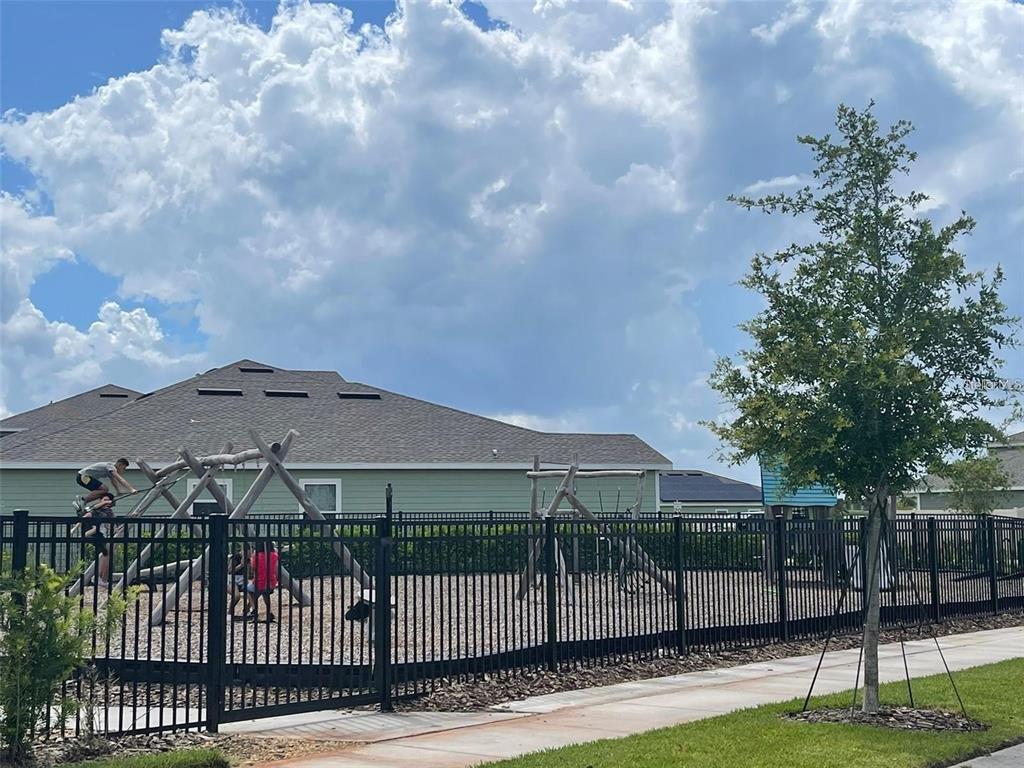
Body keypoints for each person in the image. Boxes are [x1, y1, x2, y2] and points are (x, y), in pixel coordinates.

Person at [82, 492, 116, 586]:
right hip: (93, 535)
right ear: (100, 501)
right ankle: (98, 577)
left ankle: (102, 578)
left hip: (100, 535)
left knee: (106, 555)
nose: (107, 502)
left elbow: (113, 525)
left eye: (109, 500)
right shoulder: (95, 510)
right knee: (105, 554)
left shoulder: (109, 512)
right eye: (105, 500)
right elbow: (89, 512)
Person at [244, 540, 279, 623]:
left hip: (259, 582)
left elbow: (253, 569)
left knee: (247, 590)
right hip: (271, 582)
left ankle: (254, 611)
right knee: (265, 594)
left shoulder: (256, 556)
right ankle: (269, 612)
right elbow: (276, 568)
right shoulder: (274, 555)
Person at [227, 544, 251, 616]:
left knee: (255, 594)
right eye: (247, 553)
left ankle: (246, 610)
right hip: (232, 579)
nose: (249, 554)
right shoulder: (235, 557)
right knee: (237, 596)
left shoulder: (248, 559)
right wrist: (240, 565)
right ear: (242, 551)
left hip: (242, 580)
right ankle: (229, 613)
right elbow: (230, 570)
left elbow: (247, 573)